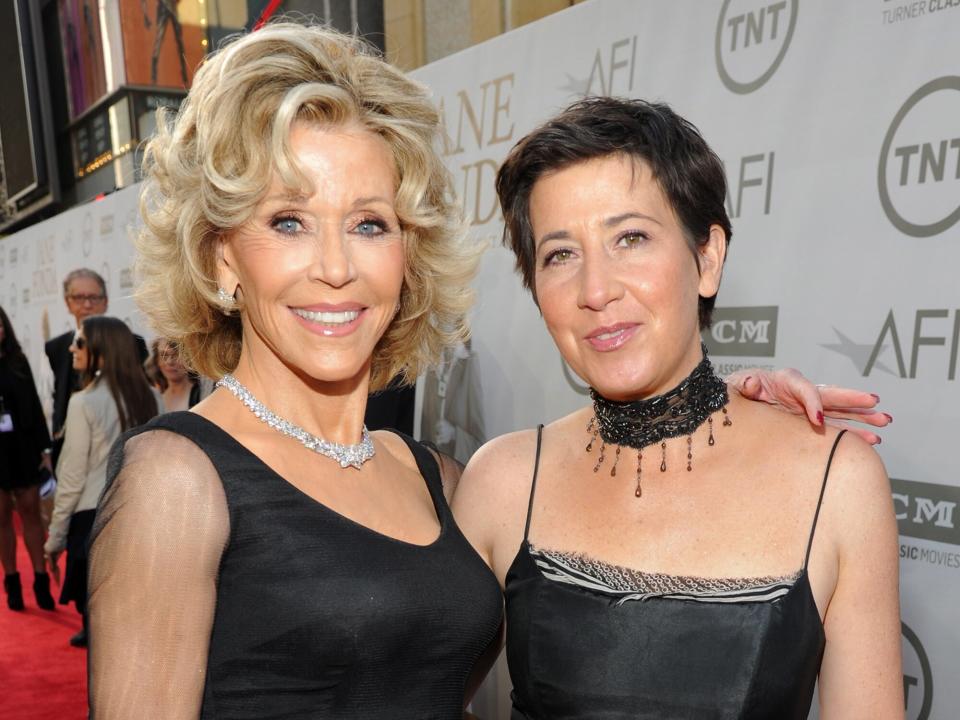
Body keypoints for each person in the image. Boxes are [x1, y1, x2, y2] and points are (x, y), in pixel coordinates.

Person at [87, 23, 884, 718]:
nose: (335, 267)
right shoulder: (180, 476)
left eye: (369, 223)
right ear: (223, 259)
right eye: (289, 221)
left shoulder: (435, 480)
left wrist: (738, 406)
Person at [452, 97, 901, 718]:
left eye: (630, 238)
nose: (597, 290)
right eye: (561, 254)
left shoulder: (837, 479)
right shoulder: (500, 481)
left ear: (707, 258)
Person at [44, 316, 160, 647]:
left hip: (93, 519)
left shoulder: (83, 402)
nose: (72, 348)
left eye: (80, 342)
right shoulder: (152, 397)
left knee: (100, 630)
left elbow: (71, 477)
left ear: (103, 351)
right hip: (140, 516)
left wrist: (55, 537)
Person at [44, 269, 148, 468]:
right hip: (69, 452)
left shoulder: (134, 345)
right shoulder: (55, 348)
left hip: (121, 453)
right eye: (79, 297)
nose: (87, 304)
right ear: (67, 302)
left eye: (93, 297)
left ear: (105, 301)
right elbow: (57, 395)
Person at [0, 305, 56, 612]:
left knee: (32, 514)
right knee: (2, 521)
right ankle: (11, 583)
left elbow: (34, 408)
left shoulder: (18, 362)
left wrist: (44, 450)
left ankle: (40, 579)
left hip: (22, 449)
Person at [146, 337, 203, 411]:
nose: (170, 362)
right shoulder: (153, 399)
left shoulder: (203, 394)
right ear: (156, 361)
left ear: (188, 359)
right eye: (164, 355)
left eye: (176, 355)